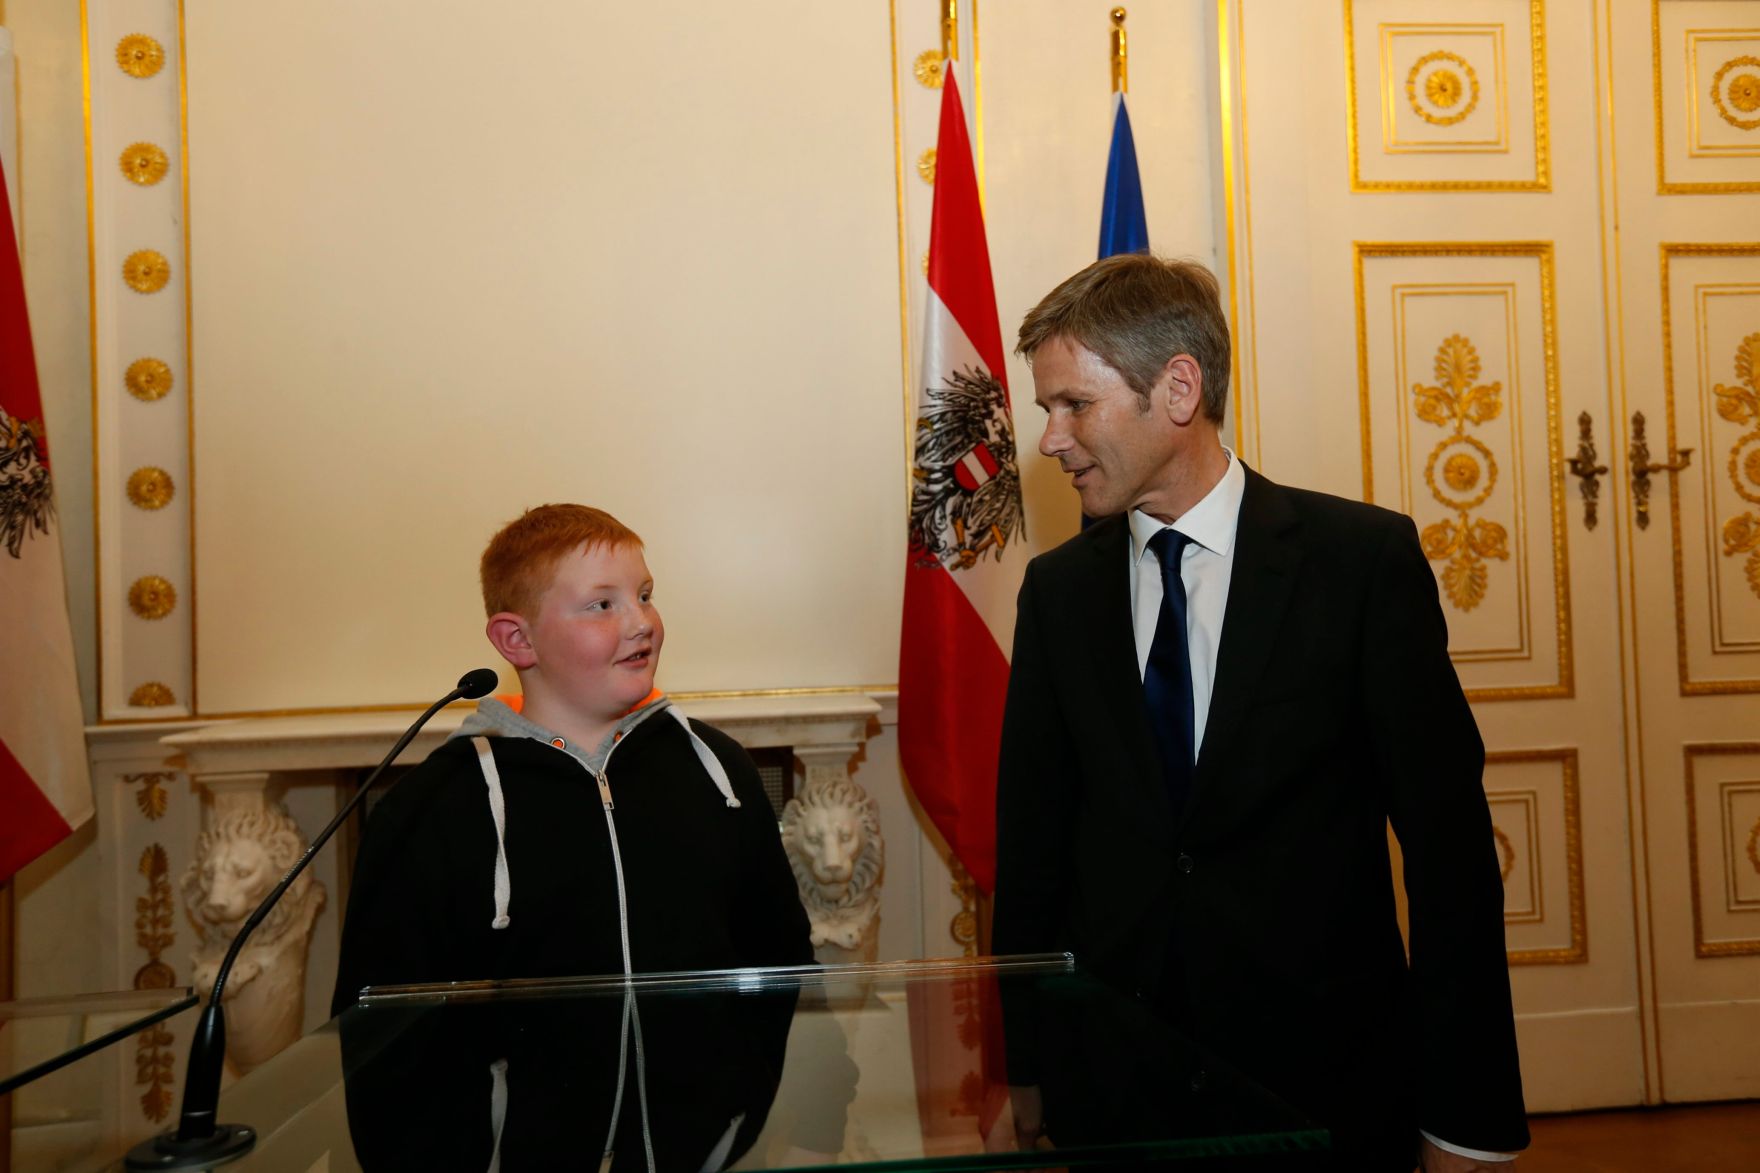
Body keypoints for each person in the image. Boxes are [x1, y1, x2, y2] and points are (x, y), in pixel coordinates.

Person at [991, 255, 1527, 1172]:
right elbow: (1032, 851)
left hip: (1324, 1090)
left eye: (1073, 404)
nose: (1050, 438)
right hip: (1120, 1099)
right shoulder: (1057, 594)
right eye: (1048, 409)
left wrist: (1464, 1116)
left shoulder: (1360, 565)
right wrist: (1029, 1071)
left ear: (1179, 387)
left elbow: (1451, 856)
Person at [331, 504, 812, 1012]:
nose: (641, 622)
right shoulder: (428, 810)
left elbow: (787, 961)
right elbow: (381, 1028)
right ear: (517, 640)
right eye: (602, 605)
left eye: (644, 596)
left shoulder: (720, 771)